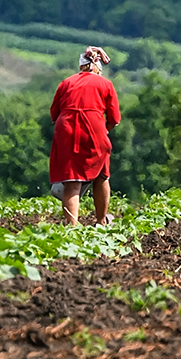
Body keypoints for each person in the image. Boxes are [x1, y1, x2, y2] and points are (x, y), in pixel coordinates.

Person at [49, 47, 122, 226]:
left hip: (66, 129)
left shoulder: (66, 83)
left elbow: (54, 115)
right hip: (94, 128)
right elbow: (114, 119)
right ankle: (101, 221)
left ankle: (72, 228)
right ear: (97, 68)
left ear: (81, 66)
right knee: (102, 176)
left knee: (72, 181)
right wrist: (103, 131)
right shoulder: (105, 84)